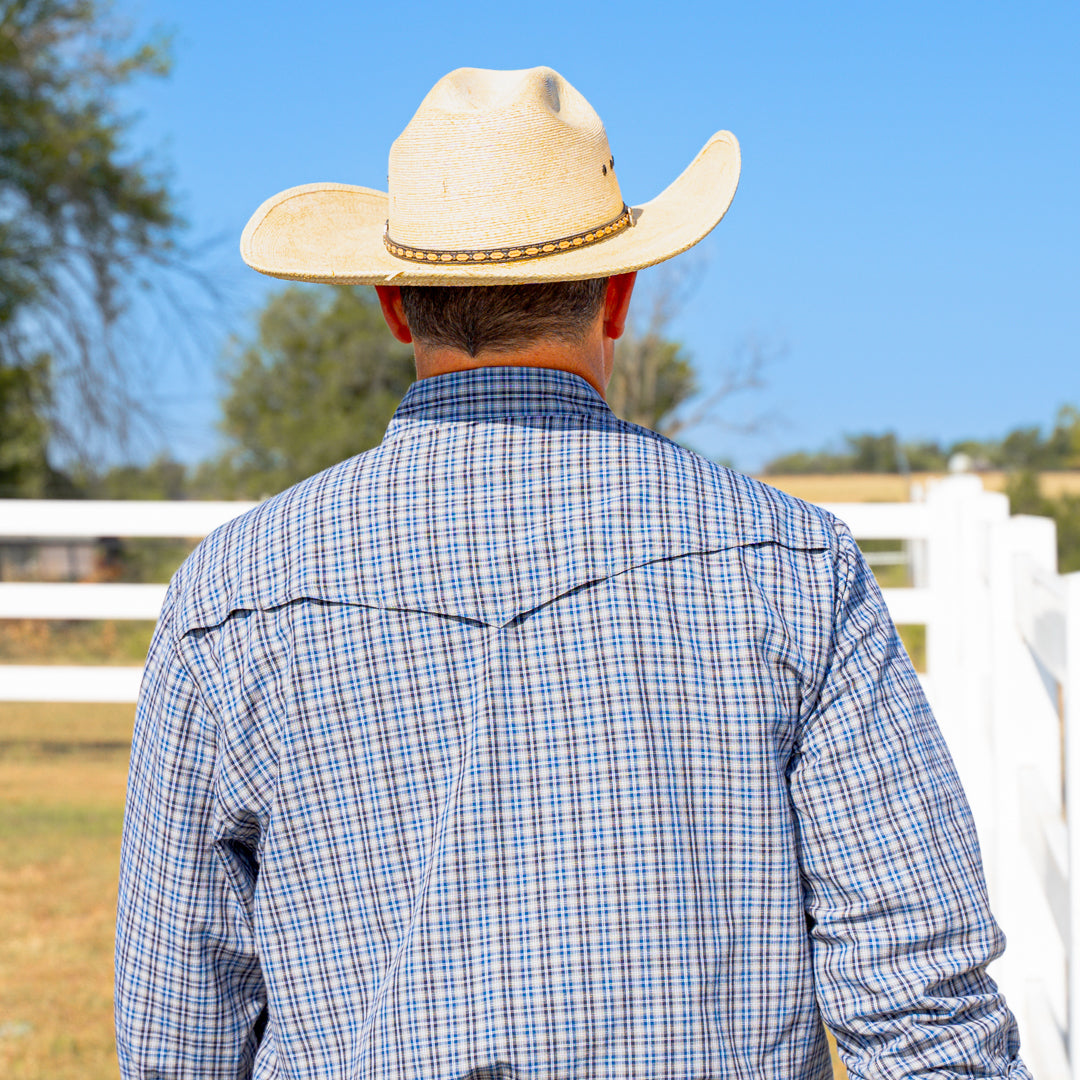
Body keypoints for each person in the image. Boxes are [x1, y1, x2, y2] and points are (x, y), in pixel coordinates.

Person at [115, 66, 1030, 1079]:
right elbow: (921, 1004)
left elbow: (178, 1035)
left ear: (393, 305)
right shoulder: (791, 563)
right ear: (620, 293)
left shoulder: (230, 595)